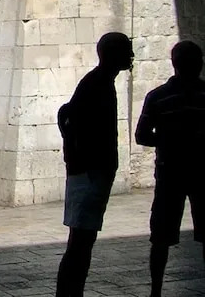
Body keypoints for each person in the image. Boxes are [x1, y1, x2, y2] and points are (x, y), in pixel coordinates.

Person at [56, 32, 134, 297]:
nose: (130, 55)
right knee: (80, 241)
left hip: (90, 172)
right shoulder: (96, 83)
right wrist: (81, 159)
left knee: (83, 240)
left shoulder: (100, 82)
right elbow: (69, 116)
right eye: (126, 50)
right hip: (89, 174)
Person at [133, 41, 205, 297]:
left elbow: (141, 135)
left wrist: (166, 140)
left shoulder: (157, 97)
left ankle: (156, 291)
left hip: (169, 173)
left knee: (161, 237)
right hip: (201, 173)